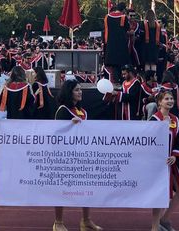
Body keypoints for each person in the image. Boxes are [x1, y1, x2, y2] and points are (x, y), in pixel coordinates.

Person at [53, 79, 102, 231]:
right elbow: (57, 133)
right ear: (69, 92)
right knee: (61, 189)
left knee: (86, 187)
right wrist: (70, 125)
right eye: (76, 90)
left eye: (81, 89)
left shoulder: (83, 112)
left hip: (82, 155)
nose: (80, 92)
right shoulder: (63, 110)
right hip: (65, 156)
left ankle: (86, 220)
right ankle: (58, 222)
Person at [150, 90, 179, 231]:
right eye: (166, 98)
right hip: (158, 164)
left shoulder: (175, 119)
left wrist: (174, 155)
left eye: (171, 98)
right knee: (160, 195)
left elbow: (177, 141)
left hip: (172, 162)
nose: (170, 101)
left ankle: (165, 219)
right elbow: (149, 141)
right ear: (160, 102)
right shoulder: (154, 119)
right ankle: (155, 227)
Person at [104, 2, 130, 83]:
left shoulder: (107, 17)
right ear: (123, 9)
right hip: (121, 45)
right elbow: (127, 29)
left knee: (113, 65)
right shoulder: (123, 17)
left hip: (110, 44)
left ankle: (114, 80)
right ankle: (121, 80)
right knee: (121, 64)